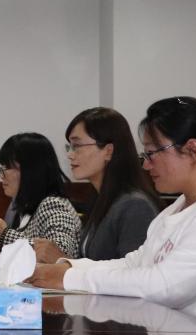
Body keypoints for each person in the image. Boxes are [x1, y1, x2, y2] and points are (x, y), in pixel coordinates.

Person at [30, 96, 196, 335]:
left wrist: (70, 278)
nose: (147, 164)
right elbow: (134, 263)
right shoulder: (178, 208)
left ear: (192, 150)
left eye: (152, 153)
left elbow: (164, 287)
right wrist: (69, 267)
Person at [34, 107, 160, 263]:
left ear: (108, 151)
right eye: (69, 147)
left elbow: (133, 273)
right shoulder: (100, 199)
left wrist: (62, 259)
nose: (70, 155)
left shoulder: (135, 206)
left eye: (77, 146)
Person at [0, 133, 81, 256]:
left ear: (30, 170)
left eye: (7, 168)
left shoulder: (54, 204)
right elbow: (25, 241)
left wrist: (4, 235)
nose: (2, 175)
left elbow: (59, 252)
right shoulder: (26, 204)